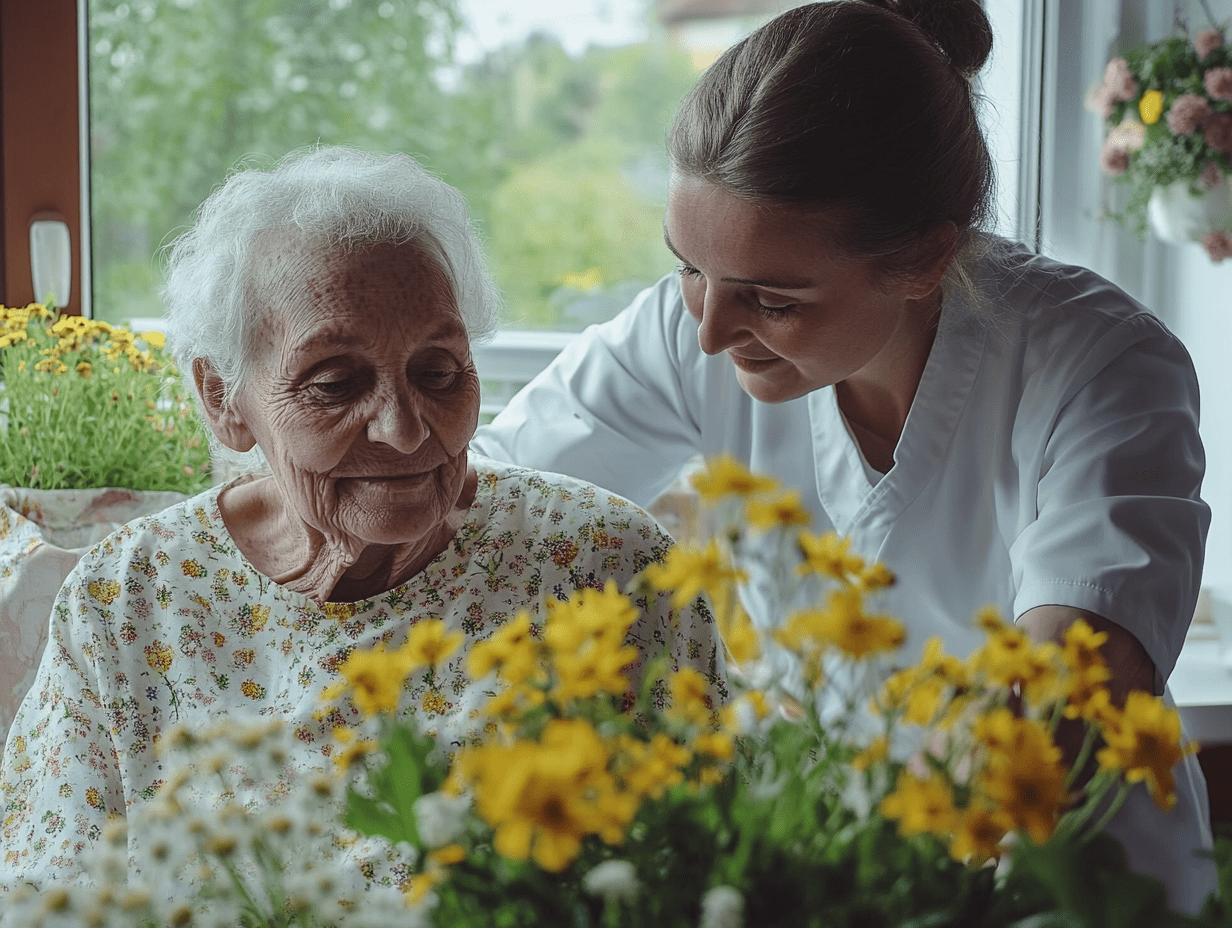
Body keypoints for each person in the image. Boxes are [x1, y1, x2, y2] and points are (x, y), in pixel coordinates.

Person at [471, 0, 1217, 913]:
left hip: (1067, 884)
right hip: (826, 874)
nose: (709, 332)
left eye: (773, 300)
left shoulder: (1098, 366)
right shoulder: (689, 330)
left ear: (923, 259)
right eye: (688, 267)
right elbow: (486, 506)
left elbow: (1066, 699)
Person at [0, 146, 725, 891]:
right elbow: (47, 895)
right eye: (336, 381)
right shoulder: (126, 600)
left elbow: (722, 872)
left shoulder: (607, 567)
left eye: (438, 372)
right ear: (223, 399)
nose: (405, 429)